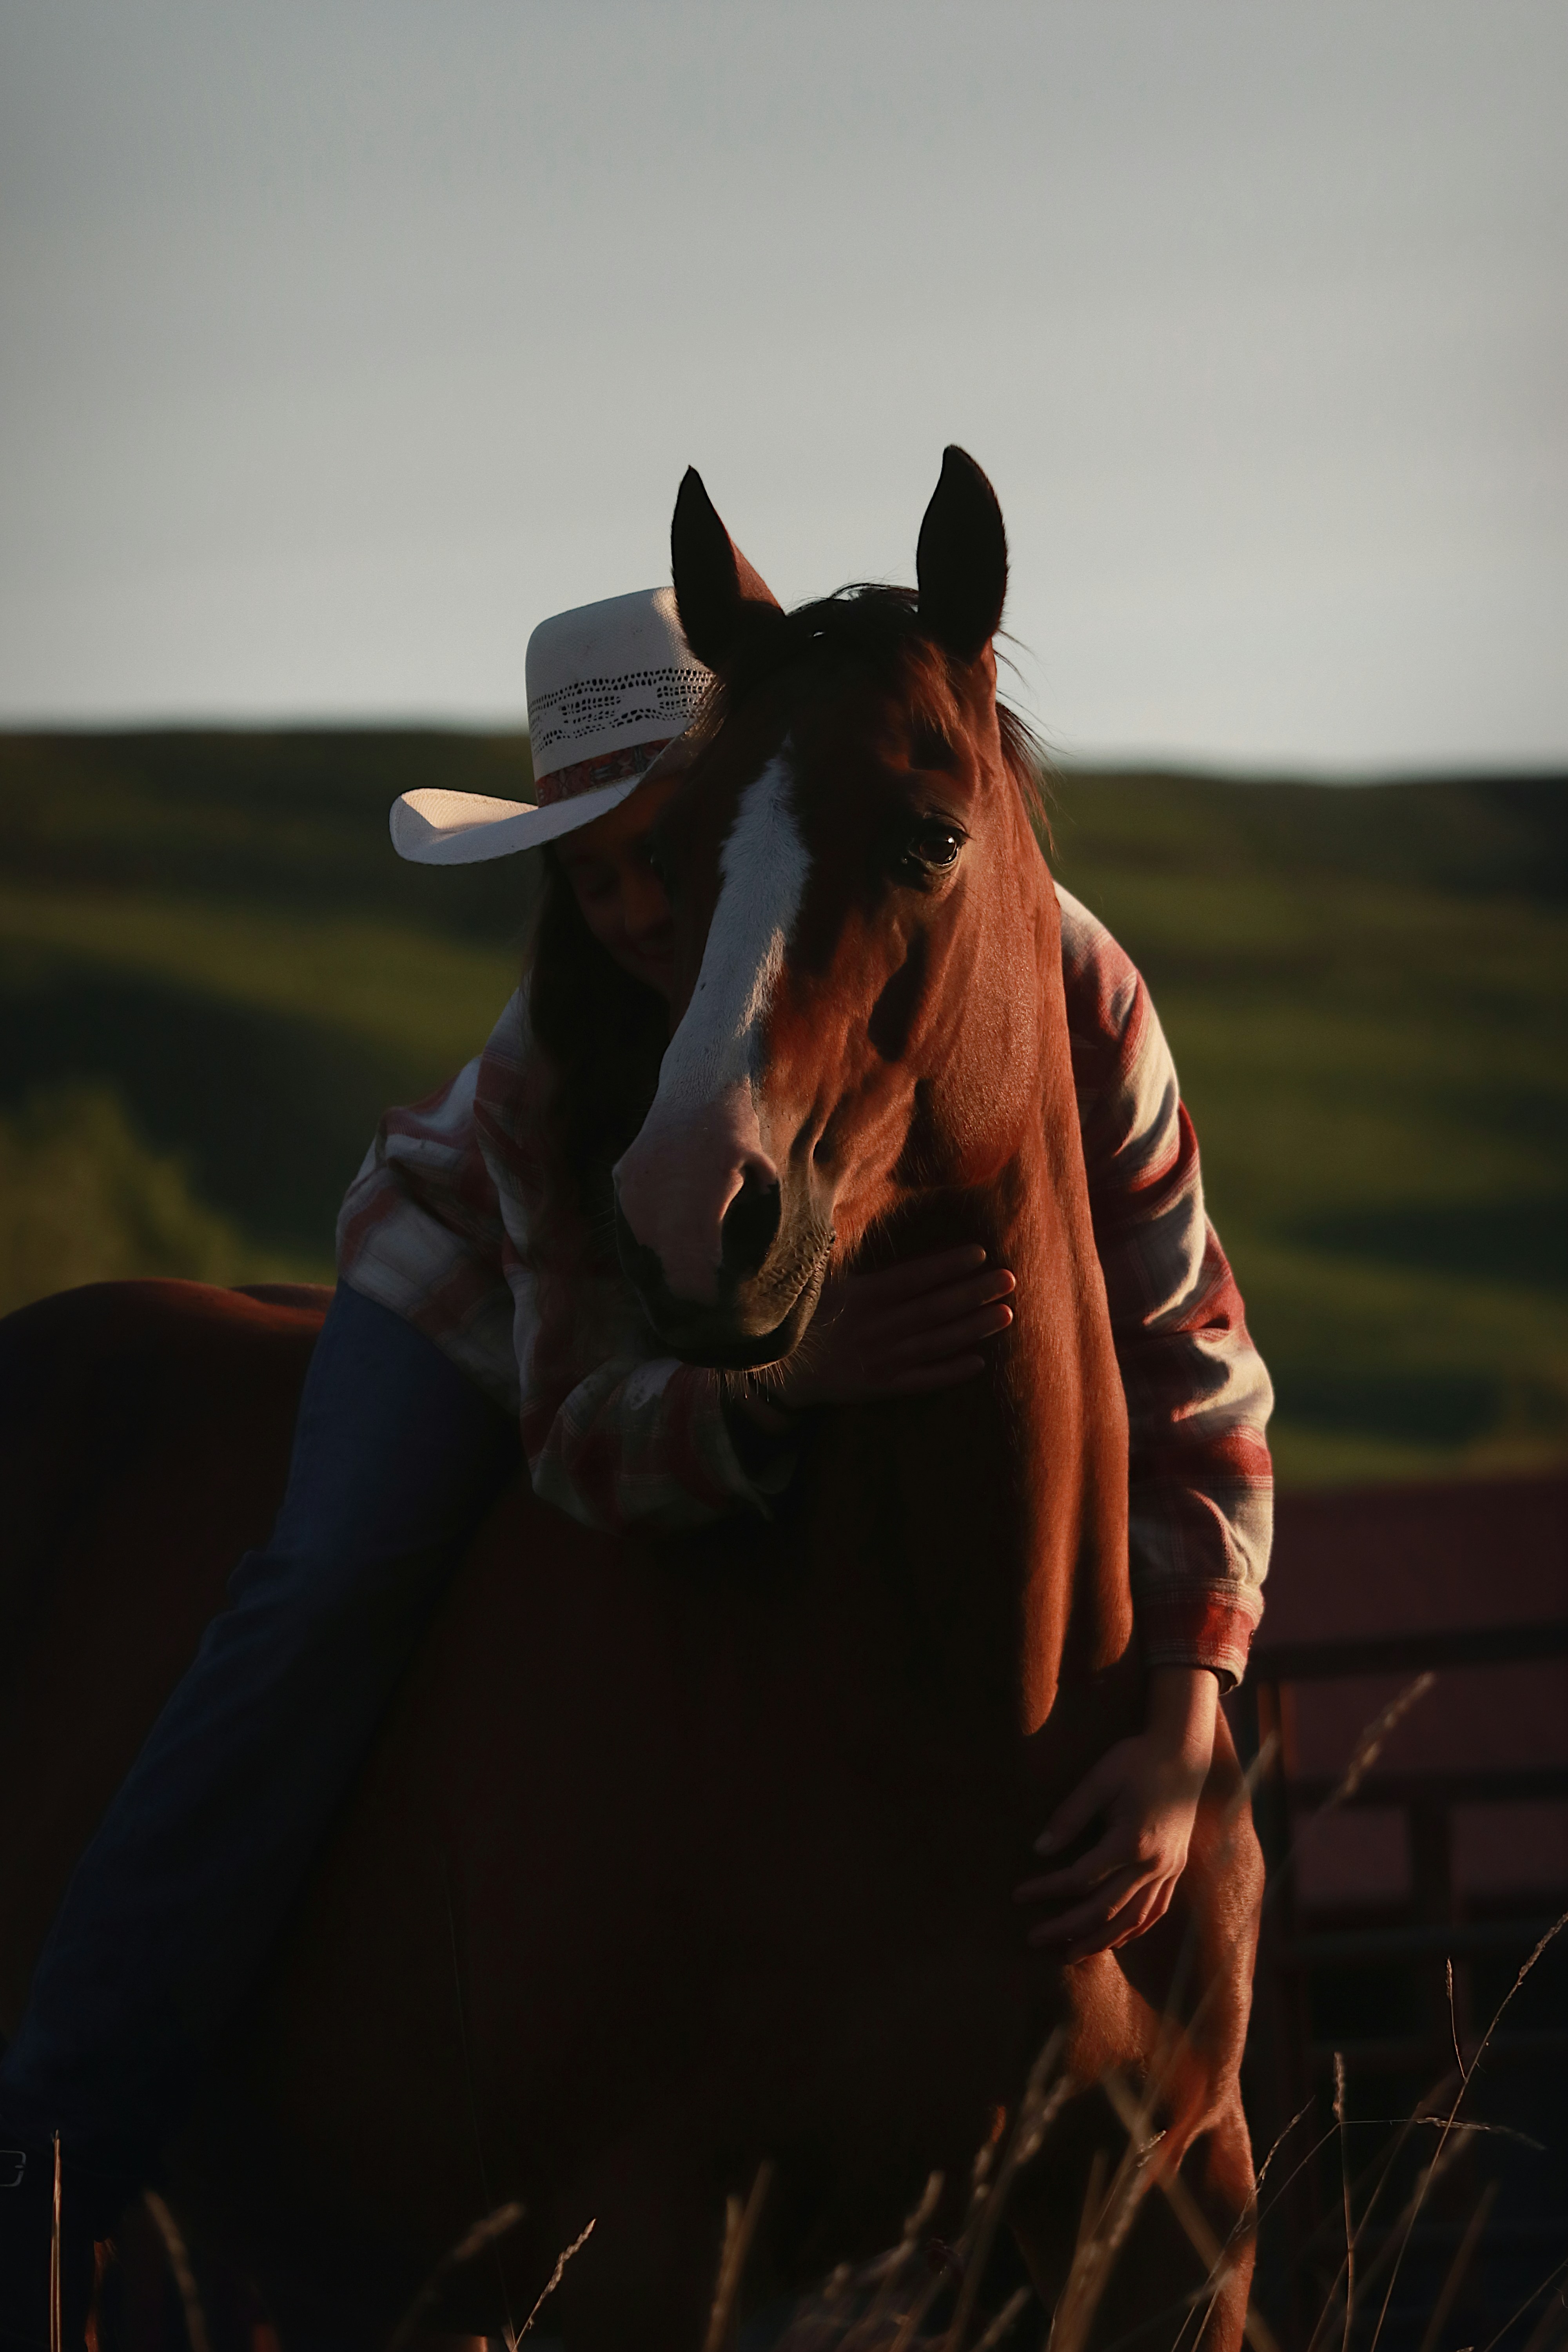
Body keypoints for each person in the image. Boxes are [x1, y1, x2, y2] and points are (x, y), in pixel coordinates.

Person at [0, 585, 1272, 2347]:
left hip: (759, 1250)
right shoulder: (564, 1052)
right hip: (469, 1292)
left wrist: (1187, 1709)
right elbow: (585, 1423)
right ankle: (57, 2126)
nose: (628, 912)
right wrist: (788, 1393)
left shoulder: (1048, 977)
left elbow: (1191, 1347)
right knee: (329, 1584)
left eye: (659, 858)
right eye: (586, 874)